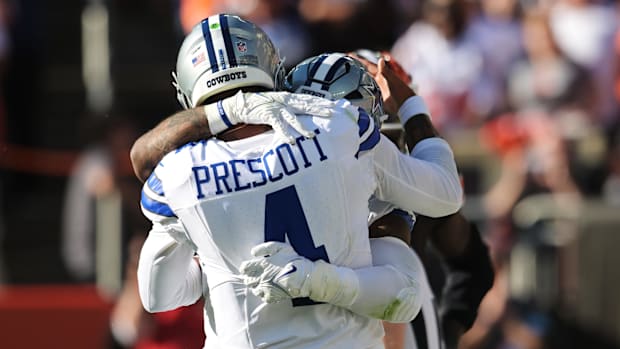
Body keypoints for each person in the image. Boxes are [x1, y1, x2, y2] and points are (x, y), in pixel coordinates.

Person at [134, 14, 462, 349]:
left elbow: (158, 296)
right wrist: (410, 105)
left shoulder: (179, 173)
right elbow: (445, 195)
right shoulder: (339, 128)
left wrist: (223, 265)